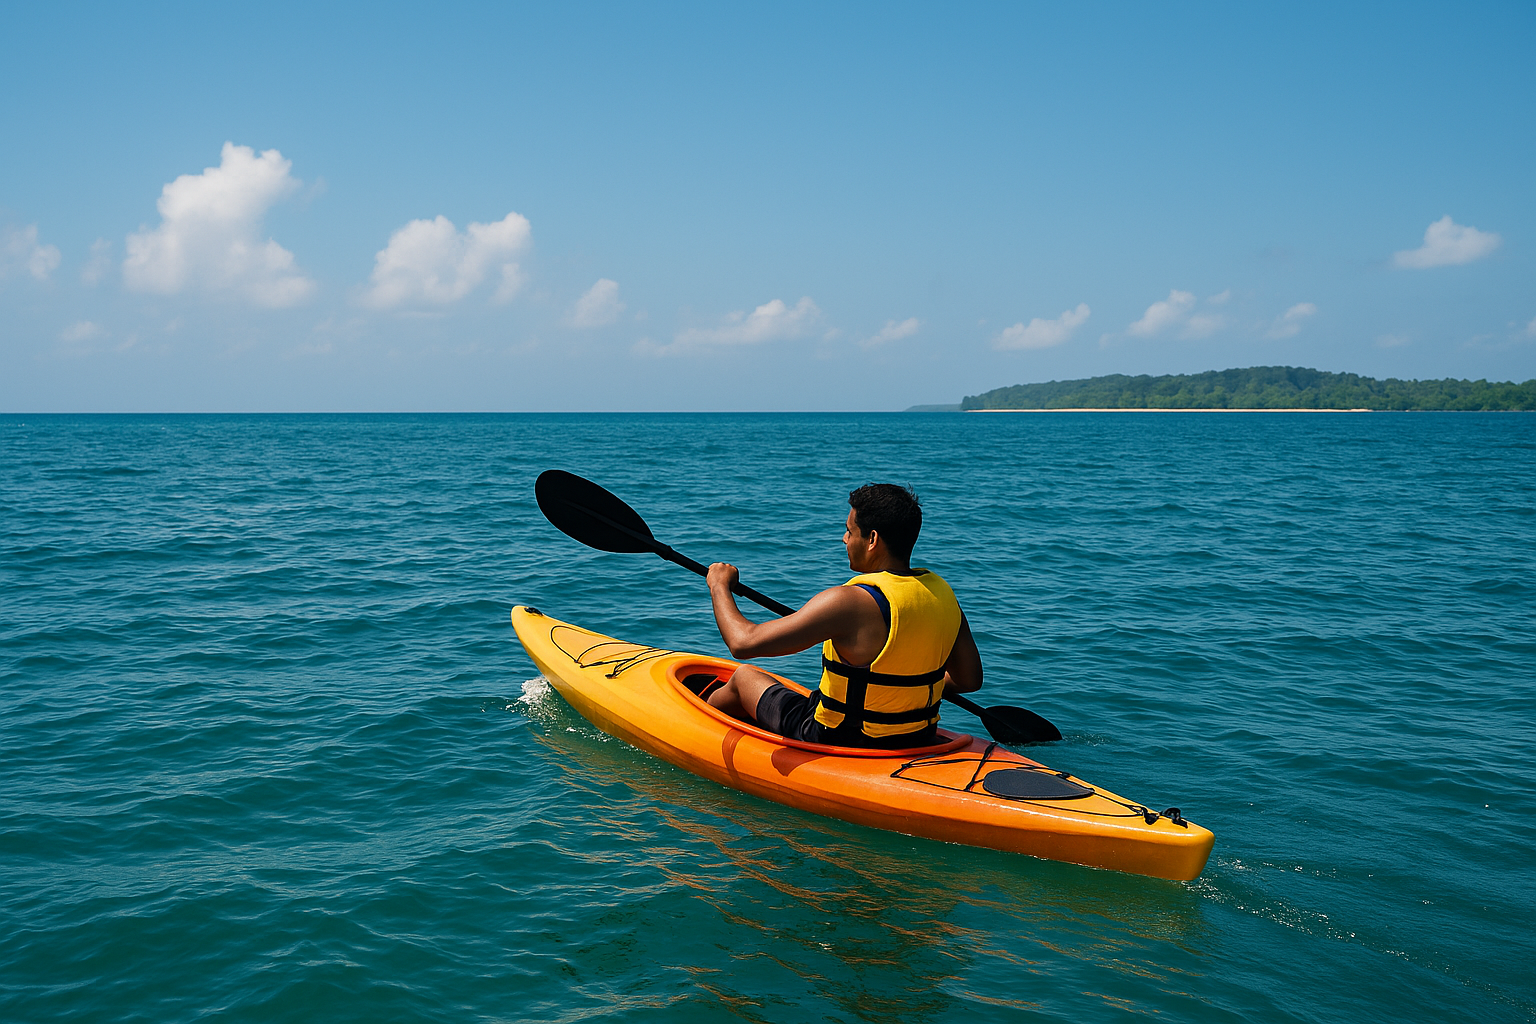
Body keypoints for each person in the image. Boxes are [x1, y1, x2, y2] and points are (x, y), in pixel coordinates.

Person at [704, 483, 982, 748]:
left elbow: (743, 643)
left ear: (872, 539)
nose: (844, 538)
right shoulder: (943, 597)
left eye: (850, 531)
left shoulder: (849, 602)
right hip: (916, 737)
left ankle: (701, 731)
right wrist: (906, 691)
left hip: (840, 739)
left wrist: (719, 584)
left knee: (743, 678)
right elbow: (969, 680)